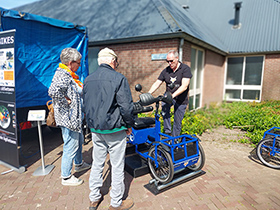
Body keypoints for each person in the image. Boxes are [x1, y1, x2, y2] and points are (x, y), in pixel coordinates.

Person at [83, 48, 135, 210]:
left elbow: (86, 105)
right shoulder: (119, 78)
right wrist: (129, 125)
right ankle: (116, 203)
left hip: (96, 129)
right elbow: (126, 107)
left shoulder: (88, 80)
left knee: (97, 163)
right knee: (117, 165)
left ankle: (94, 198)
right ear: (112, 61)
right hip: (114, 129)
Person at [48, 48, 91, 186]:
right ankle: (66, 177)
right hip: (69, 119)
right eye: (78, 63)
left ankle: (79, 164)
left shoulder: (69, 74)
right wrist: (66, 101)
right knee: (70, 146)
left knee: (78, 142)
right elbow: (53, 91)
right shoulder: (63, 75)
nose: (79, 66)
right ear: (70, 63)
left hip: (74, 118)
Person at [148, 50, 192, 137]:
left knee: (177, 121)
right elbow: (157, 82)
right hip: (168, 96)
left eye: (171, 61)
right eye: (167, 61)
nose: (169, 63)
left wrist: (172, 96)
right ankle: (167, 132)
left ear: (177, 58)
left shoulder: (185, 69)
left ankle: (174, 140)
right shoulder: (166, 71)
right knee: (164, 106)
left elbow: (184, 86)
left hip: (181, 100)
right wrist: (149, 93)